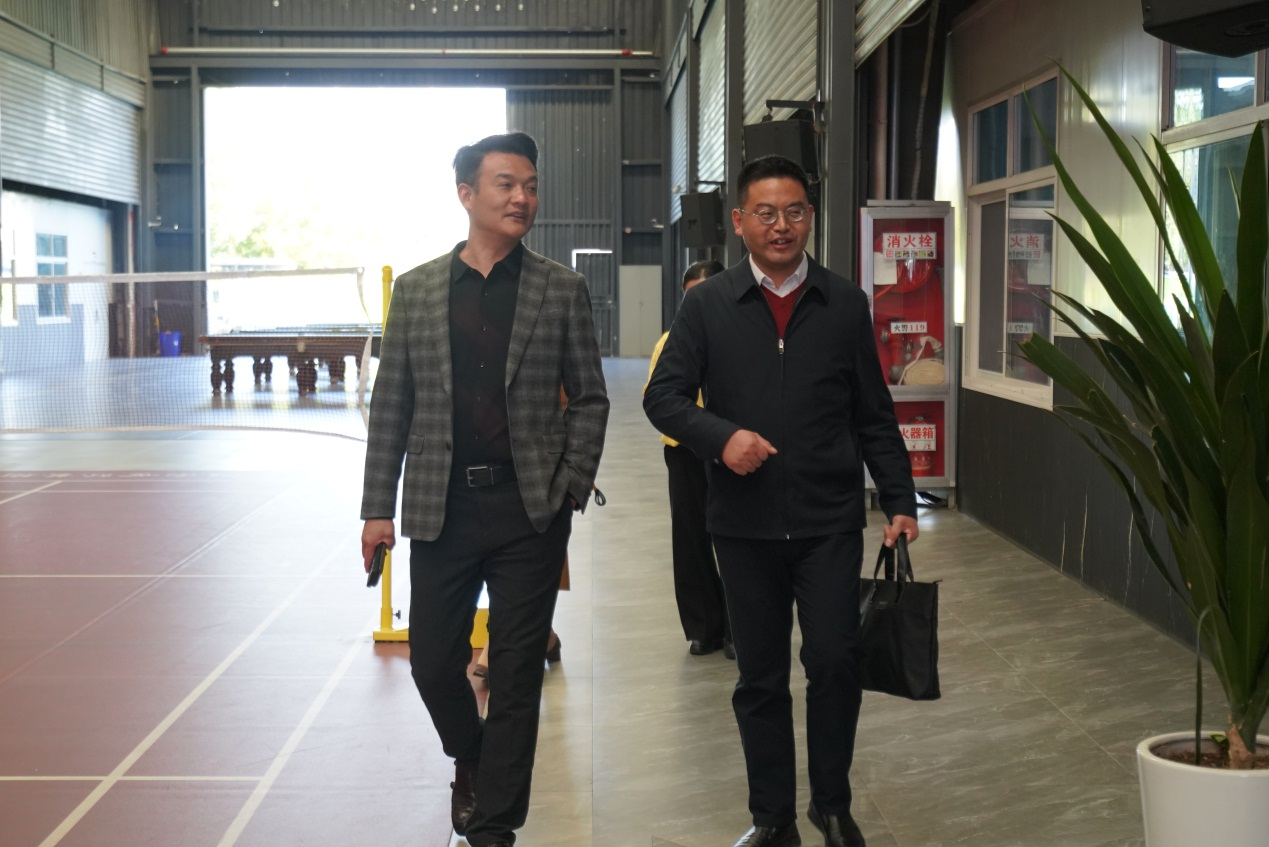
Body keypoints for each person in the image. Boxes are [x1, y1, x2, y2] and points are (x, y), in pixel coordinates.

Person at [643, 155, 918, 847]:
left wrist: (899, 498)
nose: (781, 226)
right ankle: (772, 817)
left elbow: (873, 413)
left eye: (794, 212)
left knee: (834, 661)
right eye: (765, 213)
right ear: (739, 222)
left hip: (828, 522)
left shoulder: (843, 303)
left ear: (810, 218)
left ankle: (831, 803)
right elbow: (663, 397)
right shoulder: (707, 305)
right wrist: (721, 438)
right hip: (744, 526)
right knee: (759, 677)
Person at [360, 130, 609, 847]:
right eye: (506, 184)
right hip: (442, 505)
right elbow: (391, 404)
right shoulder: (416, 291)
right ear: (466, 194)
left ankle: (494, 824)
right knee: (434, 660)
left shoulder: (560, 289)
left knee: (515, 671)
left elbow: (590, 398)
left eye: (530, 185)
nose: (522, 197)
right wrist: (377, 508)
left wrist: (570, 485)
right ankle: (469, 755)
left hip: (530, 508)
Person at [645, 258, 733, 658]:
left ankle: (738, 627)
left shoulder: (742, 337)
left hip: (731, 451)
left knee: (733, 540)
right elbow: (657, 396)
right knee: (691, 539)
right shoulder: (670, 342)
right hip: (684, 452)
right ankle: (704, 627)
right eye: (688, 299)